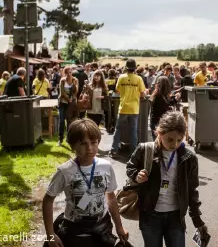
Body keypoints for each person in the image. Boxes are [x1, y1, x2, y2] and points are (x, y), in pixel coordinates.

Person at [42, 119, 128, 247]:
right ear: (72, 146)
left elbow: (111, 197)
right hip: (75, 230)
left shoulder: (106, 167)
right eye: (83, 143)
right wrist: (50, 234)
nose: (89, 148)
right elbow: (48, 200)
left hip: (102, 227)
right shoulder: (64, 171)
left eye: (94, 142)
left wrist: (119, 226)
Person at [126, 111, 208, 247]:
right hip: (150, 216)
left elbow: (192, 191)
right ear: (159, 132)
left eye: (179, 140)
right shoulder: (145, 150)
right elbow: (130, 167)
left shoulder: (189, 158)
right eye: (170, 139)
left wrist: (197, 220)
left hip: (176, 218)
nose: (174, 144)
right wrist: (136, 175)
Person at [109, 59, 146, 158]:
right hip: (134, 109)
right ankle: (133, 153)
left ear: (126, 67)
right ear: (135, 68)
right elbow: (143, 94)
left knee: (118, 130)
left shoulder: (121, 77)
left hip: (123, 107)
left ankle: (114, 150)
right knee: (133, 131)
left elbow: (117, 90)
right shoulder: (139, 79)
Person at [150, 76, 177, 140]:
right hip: (158, 122)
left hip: (158, 121)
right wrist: (171, 108)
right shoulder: (159, 96)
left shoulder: (161, 95)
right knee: (159, 143)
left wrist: (174, 100)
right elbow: (164, 108)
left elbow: (167, 104)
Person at [57, 66, 78, 146]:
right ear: (65, 73)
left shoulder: (75, 80)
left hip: (71, 104)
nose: (69, 74)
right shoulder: (62, 80)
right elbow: (62, 92)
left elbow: (76, 92)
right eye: (67, 72)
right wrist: (67, 98)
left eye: (70, 72)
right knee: (61, 120)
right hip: (62, 102)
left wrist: (74, 84)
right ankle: (60, 139)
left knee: (69, 121)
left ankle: (68, 139)